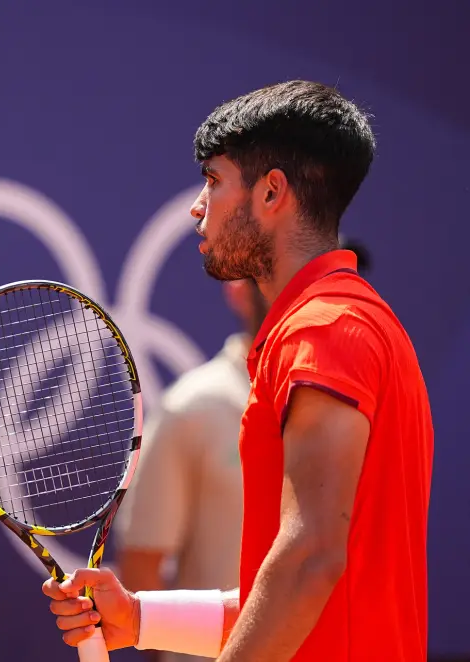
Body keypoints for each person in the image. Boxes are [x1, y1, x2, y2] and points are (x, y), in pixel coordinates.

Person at [42, 80, 433, 661]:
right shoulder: (340, 324)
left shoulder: (321, 330)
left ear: (272, 192)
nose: (197, 207)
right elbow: (282, 606)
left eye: (213, 180)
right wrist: (140, 617)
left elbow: (308, 561)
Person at [113, 240, 372, 662]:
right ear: (238, 288)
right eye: (295, 274)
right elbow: (143, 562)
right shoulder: (192, 407)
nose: (313, 294)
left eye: (327, 278)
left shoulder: (358, 401)